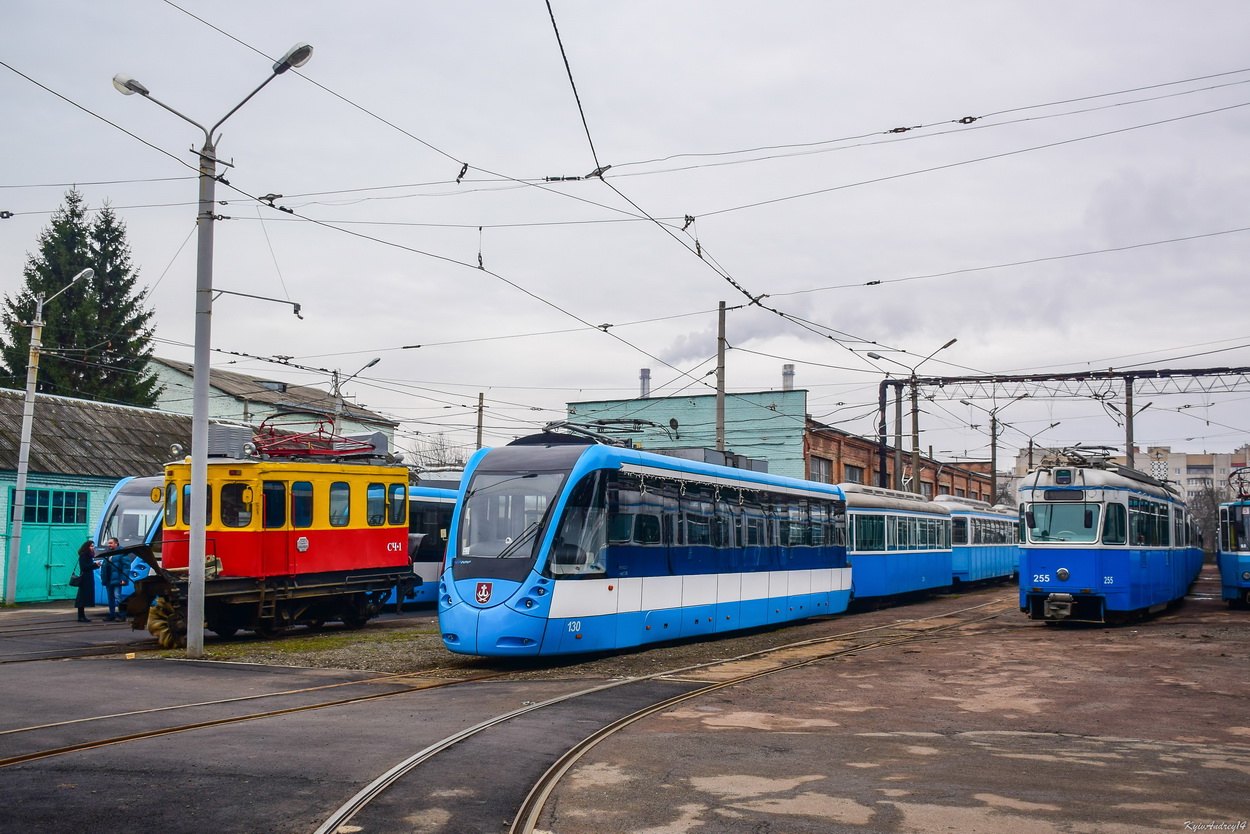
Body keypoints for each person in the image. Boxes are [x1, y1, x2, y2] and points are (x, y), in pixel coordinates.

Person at [98, 537, 129, 622]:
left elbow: (126, 566)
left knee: (117, 596)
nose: (109, 545)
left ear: (116, 543)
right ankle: (112, 614)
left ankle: (122, 615)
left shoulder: (122, 552)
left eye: (111, 543)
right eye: (108, 543)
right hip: (108, 579)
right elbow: (105, 565)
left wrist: (124, 578)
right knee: (110, 598)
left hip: (117, 579)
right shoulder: (108, 553)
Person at [74, 540, 98, 623]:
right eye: (91, 546)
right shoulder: (84, 555)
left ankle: (82, 616)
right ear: (87, 547)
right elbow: (84, 567)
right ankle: (81, 616)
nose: (92, 548)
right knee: (82, 597)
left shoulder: (88, 555)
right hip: (85, 578)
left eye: (93, 546)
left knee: (84, 597)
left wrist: (95, 565)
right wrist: (95, 565)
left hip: (88, 577)